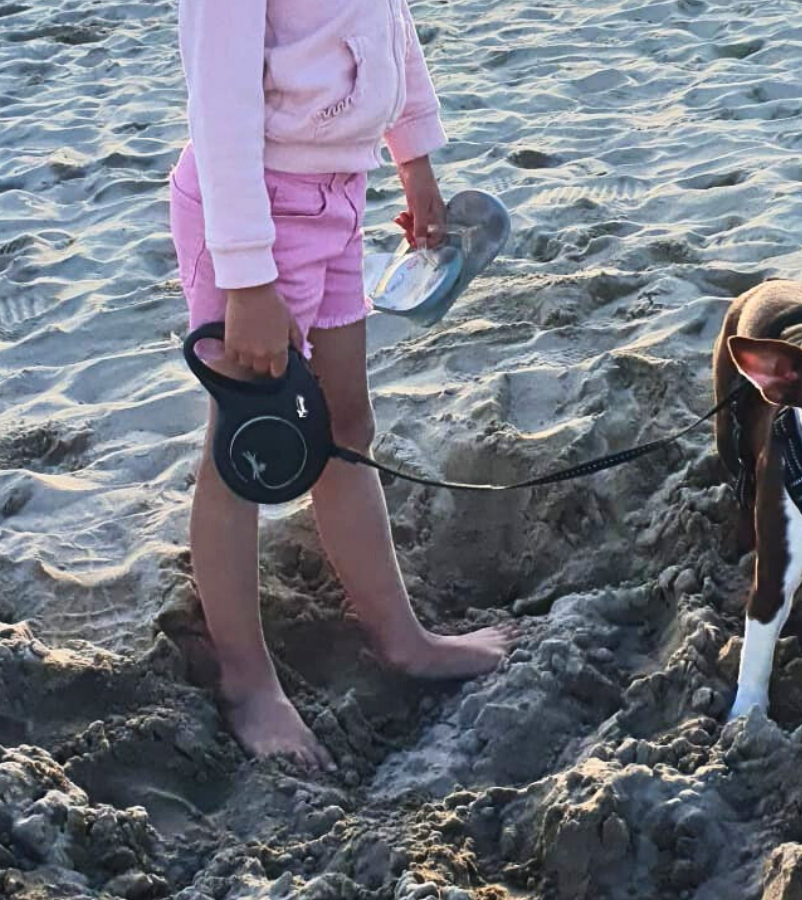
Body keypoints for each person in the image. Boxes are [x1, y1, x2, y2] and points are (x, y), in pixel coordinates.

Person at [170, 0, 510, 766]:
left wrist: (413, 157)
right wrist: (247, 277)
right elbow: (219, 105)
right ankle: (247, 681)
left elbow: (391, 27)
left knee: (345, 425)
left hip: (340, 196)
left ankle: (400, 637)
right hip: (256, 209)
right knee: (245, 450)